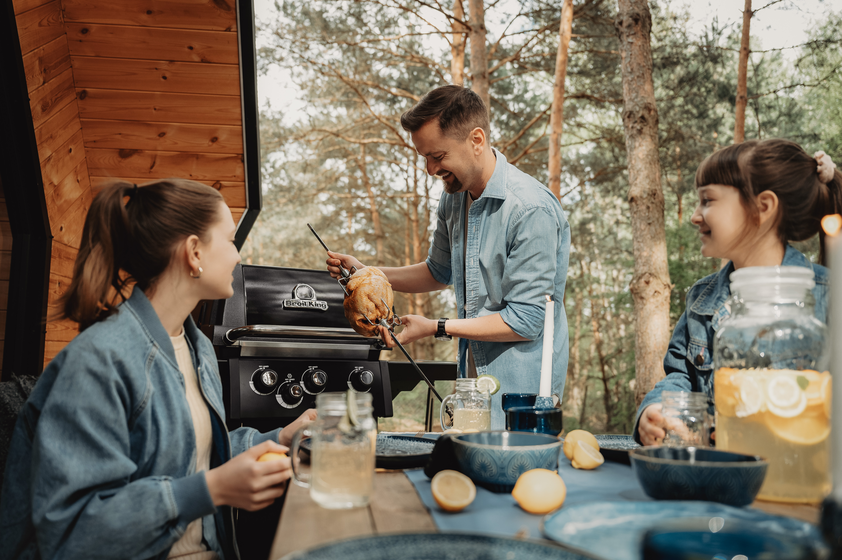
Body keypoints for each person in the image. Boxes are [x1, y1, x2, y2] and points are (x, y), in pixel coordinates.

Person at [0, 179, 316, 560]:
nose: (237, 256)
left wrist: (279, 437)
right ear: (194, 252)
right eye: (231, 241)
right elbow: (72, 532)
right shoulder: (99, 361)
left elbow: (190, 456)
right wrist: (212, 490)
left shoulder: (195, 345)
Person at [326, 85, 571, 429]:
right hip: (472, 386)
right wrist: (368, 272)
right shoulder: (454, 199)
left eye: (437, 156)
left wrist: (436, 328)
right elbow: (438, 271)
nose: (429, 169)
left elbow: (526, 319)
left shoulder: (531, 209)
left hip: (523, 398)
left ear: (476, 139)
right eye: (424, 157)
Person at [635, 139, 840, 446]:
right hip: (723, 479)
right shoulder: (701, 300)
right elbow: (682, 377)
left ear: (764, 206)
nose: (695, 215)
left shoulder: (829, 297)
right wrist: (656, 409)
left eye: (708, 200)